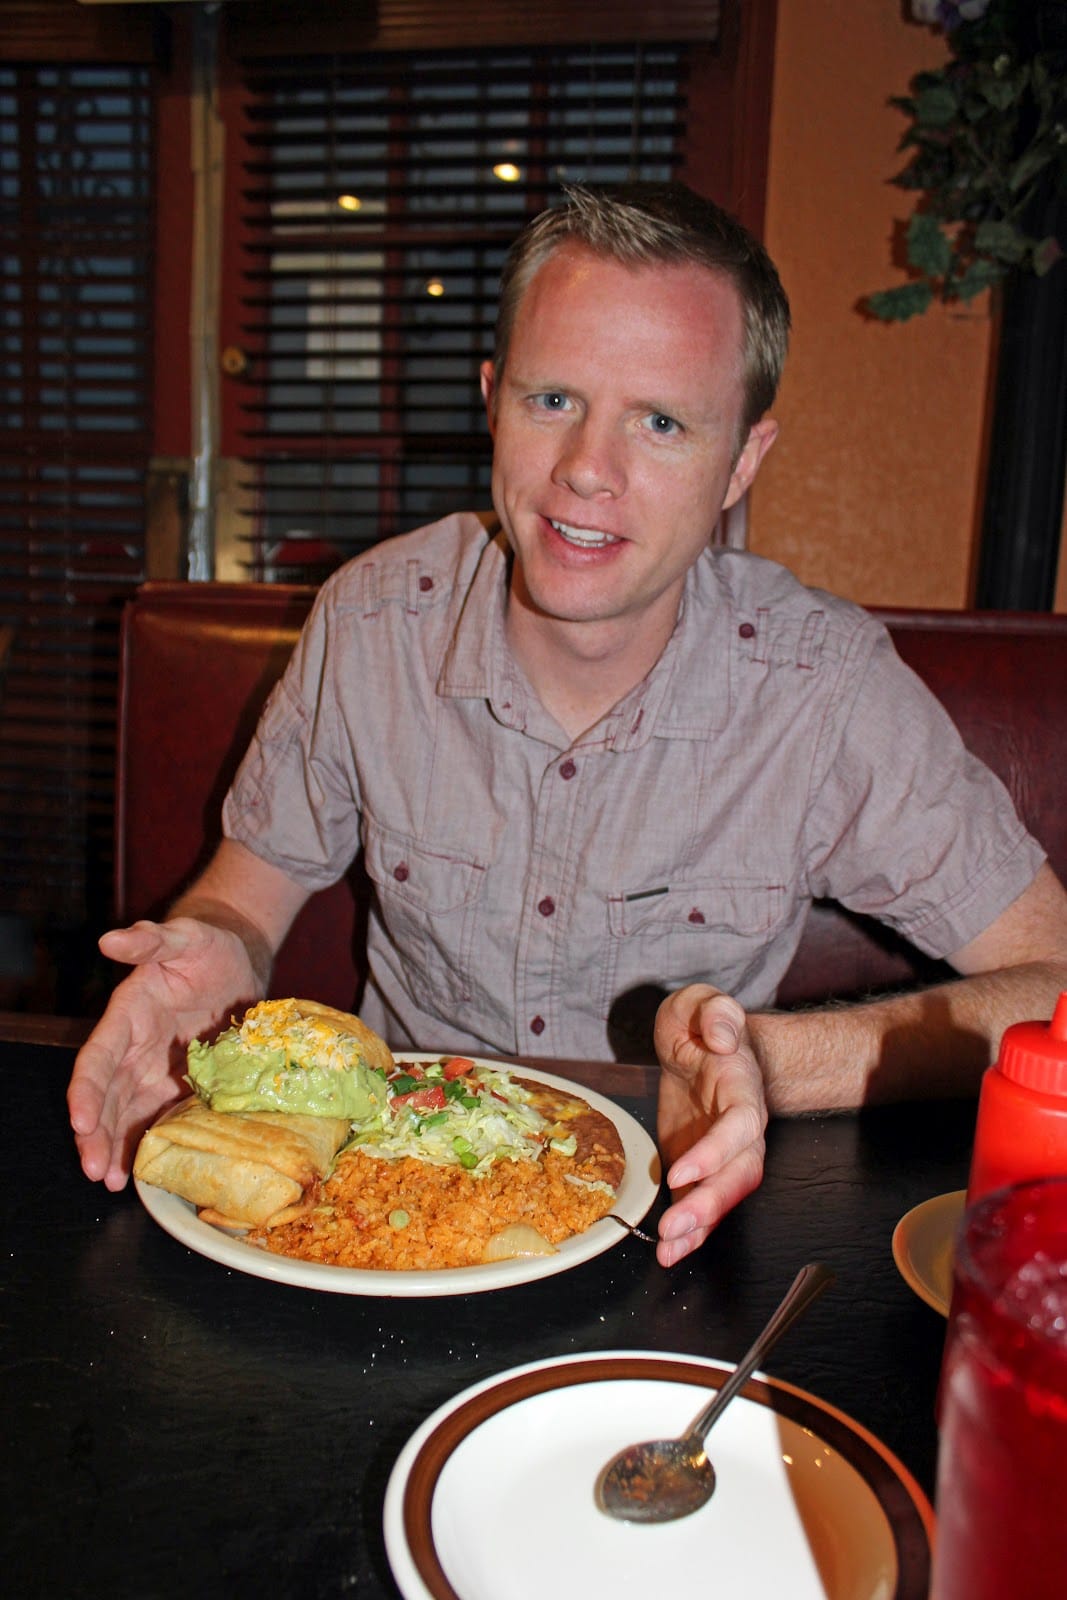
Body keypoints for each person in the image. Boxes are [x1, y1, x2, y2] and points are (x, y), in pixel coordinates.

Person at [68, 182, 1067, 1268]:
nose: (588, 468)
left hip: (670, 1238)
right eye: (552, 400)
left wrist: (769, 1063)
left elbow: (1052, 980)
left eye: (661, 421)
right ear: (491, 399)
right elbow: (247, 892)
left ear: (740, 461)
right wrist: (211, 953)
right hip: (373, 1222)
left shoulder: (821, 688)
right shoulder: (369, 620)